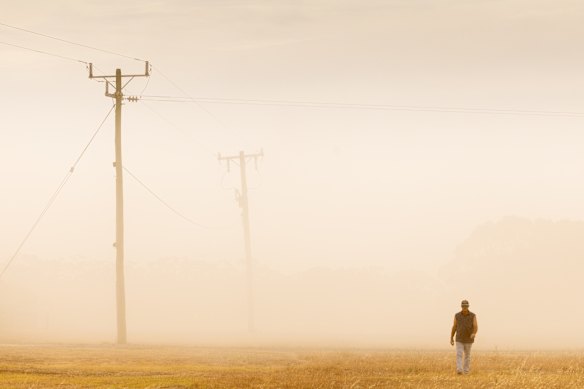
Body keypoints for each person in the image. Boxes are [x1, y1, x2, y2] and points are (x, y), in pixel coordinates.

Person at [450, 299, 478, 375]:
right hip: (459, 338)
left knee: (467, 356)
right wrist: (451, 337)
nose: (464, 307)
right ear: (461, 306)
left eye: (466, 306)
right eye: (463, 306)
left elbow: (475, 326)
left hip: (469, 339)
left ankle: (466, 371)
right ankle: (459, 370)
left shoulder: (473, 315)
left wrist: (474, 333)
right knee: (459, 354)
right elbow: (454, 326)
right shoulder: (457, 315)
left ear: (468, 306)